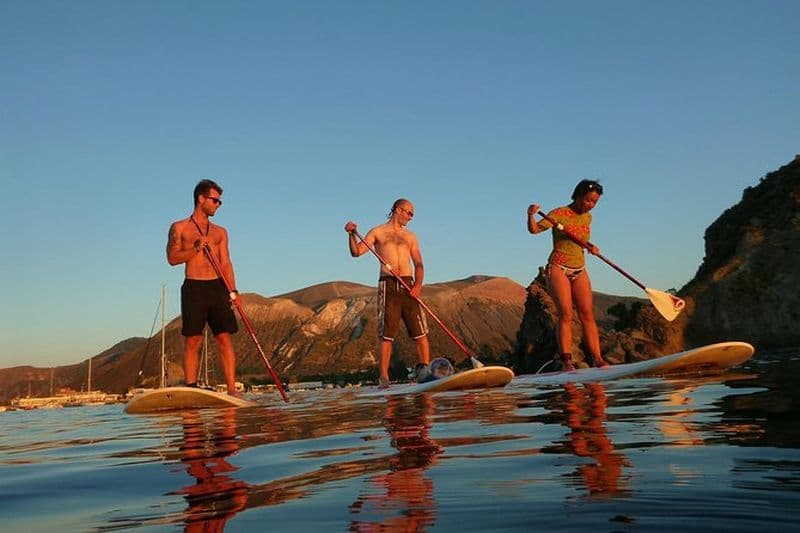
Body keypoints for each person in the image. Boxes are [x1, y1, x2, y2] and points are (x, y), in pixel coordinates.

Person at [344, 199, 431, 388]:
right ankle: (383, 377)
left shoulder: (411, 236)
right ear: (398, 210)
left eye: (412, 214)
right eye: (409, 213)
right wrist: (352, 235)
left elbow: (419, 264)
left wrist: (418, 285)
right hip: (388, 285)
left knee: (420, 332)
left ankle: (425, 372)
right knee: (386, 335)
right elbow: (357, 252)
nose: (411, 217)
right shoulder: (378, 232)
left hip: (409, 285)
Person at [167, 178, 241, 396]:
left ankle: (231, 389)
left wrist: (233, 290)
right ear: (201, 199)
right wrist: (195, 249)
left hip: (218, 286)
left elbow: (226, 262)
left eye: (220, 202)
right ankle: (191, 387)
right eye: (215, 200)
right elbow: (172, 258)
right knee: (193, 338)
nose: (218, 205)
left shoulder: (220, 232)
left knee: (224, 337)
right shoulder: (179, 227)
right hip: (194, 287)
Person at [527, 179, 609, 371]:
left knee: (587, 314)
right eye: (588, 200)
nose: (591, 205)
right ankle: (567, 362)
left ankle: (597, 359)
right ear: (579, 196)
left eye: (595, 202)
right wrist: (530, 215)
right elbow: (534, 230)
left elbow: (580, 240)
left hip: (579, 268)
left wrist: (590, 246)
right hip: (558, 268)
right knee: (565, 313)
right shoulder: (559, 214)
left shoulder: (588, 218)